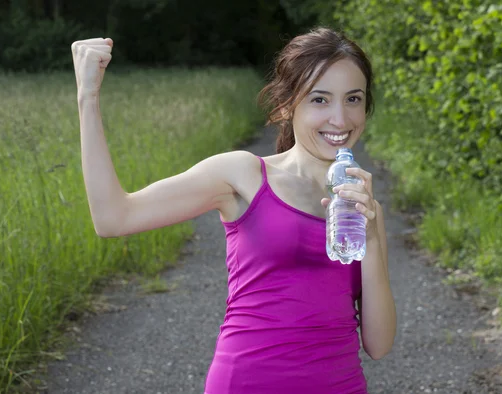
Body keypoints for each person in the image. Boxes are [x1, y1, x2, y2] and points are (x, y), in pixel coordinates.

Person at [71, 26, 396, 394]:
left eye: (353, 99)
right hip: (247, 383)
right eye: (320, 100)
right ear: (288, 104)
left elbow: (379, 344)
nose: (340, 119)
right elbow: (114, 217)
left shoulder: (367, 210)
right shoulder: (243, 175)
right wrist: (88, 96)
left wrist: (368, 233)